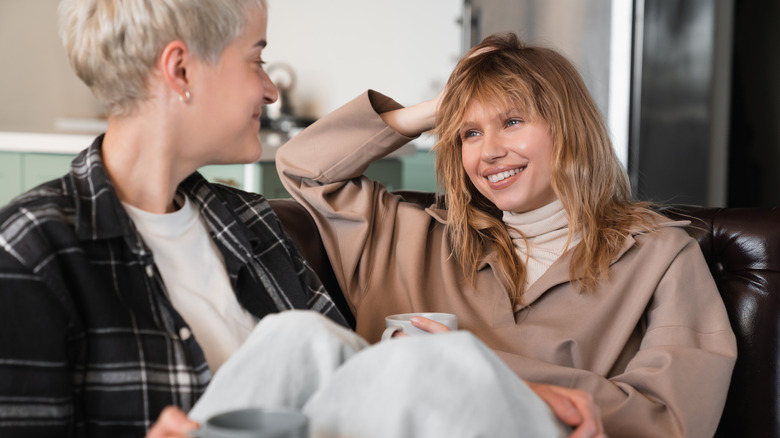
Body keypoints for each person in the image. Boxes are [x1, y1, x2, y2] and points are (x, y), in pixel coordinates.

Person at [276, 33, 738, 437]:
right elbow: (304, 168)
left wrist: (471, 366)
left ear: (569, 127)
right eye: (469, 133)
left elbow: (670, 421)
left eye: (512, 122)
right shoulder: (406, 235)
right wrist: (440, 106)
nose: (490, 151)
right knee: (296, 338)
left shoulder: (660, 255)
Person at [0, 0, 348, 437]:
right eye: (256, 60)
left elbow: (351, 383)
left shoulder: (255, 222)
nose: (270, 90)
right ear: (180, 70)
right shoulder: (30, 253)